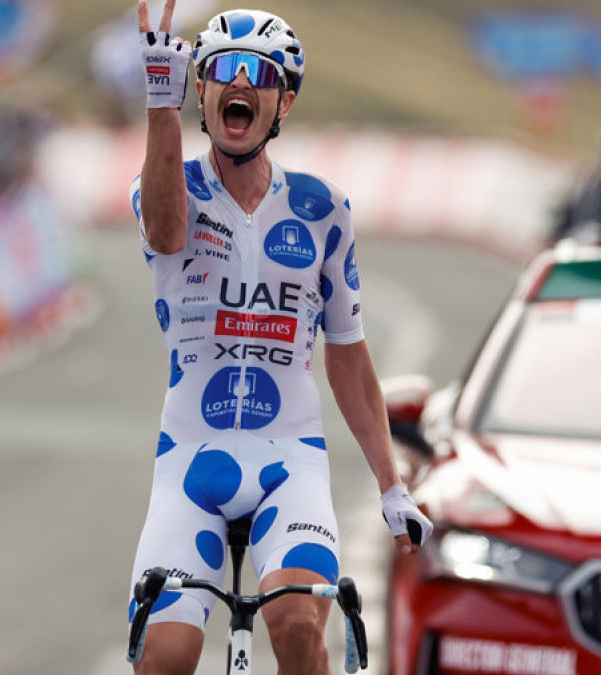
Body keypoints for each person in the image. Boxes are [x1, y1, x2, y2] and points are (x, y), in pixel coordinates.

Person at [127, 2, 432, 673]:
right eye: (221, 71)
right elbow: (165, 234)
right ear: (199, 91)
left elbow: (350, 359)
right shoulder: (164, 190)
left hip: (288, 461)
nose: (241, 83)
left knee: (296, 623)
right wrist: (159, 99)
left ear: (283, 101)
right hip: (191, 461)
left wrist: (390, 486)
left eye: (259, 74)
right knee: (163, 656)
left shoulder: (324, 210)